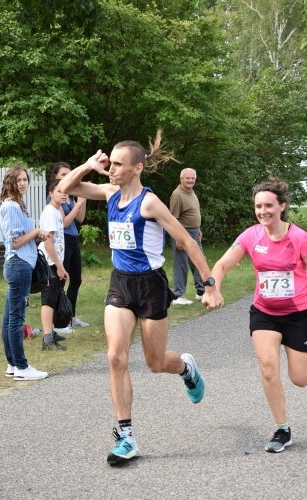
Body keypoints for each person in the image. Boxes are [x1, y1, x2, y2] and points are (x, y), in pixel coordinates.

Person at [59, 130, 223, 465]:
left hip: (150, 285)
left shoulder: (149, 202)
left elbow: (187, 242)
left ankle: (186, 368)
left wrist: (209, 284)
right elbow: (66, 188)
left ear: (137, 169)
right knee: (115, 357)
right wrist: (90, 164)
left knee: (155, 362)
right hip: (120, 284)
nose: (112, 169)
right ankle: (126, 437)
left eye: (119, 165)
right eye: (111, 164)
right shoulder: (108, 192)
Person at [203, 176, 307, 453]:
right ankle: (282, 429)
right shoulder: (251, 236)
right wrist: (213, 290)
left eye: (269, 206)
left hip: (299, 314)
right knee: (268, 368)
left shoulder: (299, 238)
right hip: (265, 312)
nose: (263, 211)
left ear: (282, 206)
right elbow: (222, 265)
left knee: (300, 378)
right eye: (258, 206)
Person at [0, 166, 49, 381]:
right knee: (16, 318)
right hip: (18, 265)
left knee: (10, 316)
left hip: (18, 265)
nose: (23, 183)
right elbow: (16, 242)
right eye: (18, 179)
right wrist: (37, 231)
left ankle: (12, 364)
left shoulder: (15, 205)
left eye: (25, 179)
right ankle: (21, 367)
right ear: (10, 181)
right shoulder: (11, 207)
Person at [49, 162, 89, 332]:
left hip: (73, 239)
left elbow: (80, 219)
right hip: (63, 239)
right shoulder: (54, 197)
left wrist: (82, 199)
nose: (67, 178)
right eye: (63, 175)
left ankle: (70, 316)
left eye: (69, 174)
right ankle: (59, 322)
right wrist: (78, 204)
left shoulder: (70, 196)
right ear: (55, 177)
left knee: (76, 279)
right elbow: (64, 223)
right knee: (61, 279)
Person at [39, 179, 69, 351]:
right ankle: (47, 339)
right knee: (48, 300)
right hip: (49, 262)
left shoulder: (57, 211)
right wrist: (59, 266)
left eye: (65, 191)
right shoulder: (50, 212)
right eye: (59, 191)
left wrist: (61, 265)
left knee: (55, 296)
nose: (64, 194)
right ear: (50, 193)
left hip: (56, 261)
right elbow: (48, 242)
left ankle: (51, 331)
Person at [170, 168, 205, 305]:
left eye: (193, 178)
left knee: (199, 262)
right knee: (181, 264)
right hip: (183, 233)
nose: (190, 181)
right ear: (181, 179)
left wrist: (198, 229)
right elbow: (172, 219)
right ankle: (178, 296)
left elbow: (194, 213)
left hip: (195, 233)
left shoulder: (191, 192)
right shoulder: (177, 195)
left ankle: (201, 292)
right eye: (188, 178)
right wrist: (178, 238)